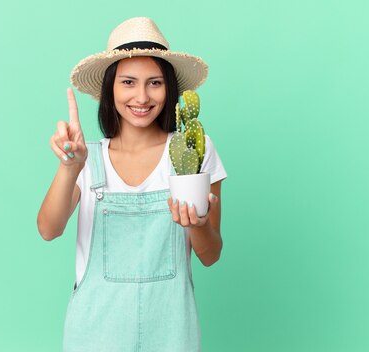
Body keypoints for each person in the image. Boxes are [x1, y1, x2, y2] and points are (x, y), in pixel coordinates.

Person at [37, 17, 227, 352]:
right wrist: (70, 167)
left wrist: (197, 224)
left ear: (169, 88)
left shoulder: (195, 150)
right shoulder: (86, 158)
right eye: (128, 82)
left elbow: (210, 255)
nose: (142, 96)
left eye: (154, 83)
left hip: (171, 331)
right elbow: (49, 229)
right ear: (110, 87)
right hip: (94, 332)